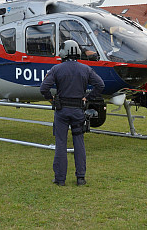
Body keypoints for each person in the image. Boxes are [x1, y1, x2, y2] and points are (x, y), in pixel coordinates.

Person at [40, 40, 105, 187]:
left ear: (63, 52)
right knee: (79, 143)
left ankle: (60, 179)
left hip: (62, 111)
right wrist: (88, 98)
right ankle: (80, 178)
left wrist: (51, 99)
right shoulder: (86, 69)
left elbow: (44, 88)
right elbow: (100, 85)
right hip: (78, 111)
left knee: (61, 144)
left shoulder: (56, 69)